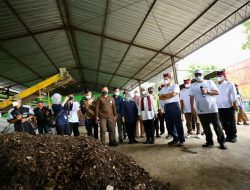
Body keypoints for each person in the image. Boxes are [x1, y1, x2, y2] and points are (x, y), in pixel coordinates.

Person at [190, 69, 227, 149]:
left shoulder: (209, 82)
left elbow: (217, 92)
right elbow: (191, 97)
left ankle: (222, 142)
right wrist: (192, 108)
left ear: (202, 74)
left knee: (217, 126)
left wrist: (208, 91)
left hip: (212, 108)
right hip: (201, 110)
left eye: (199, 74)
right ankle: (209, 142)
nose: (198, 76)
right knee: (206, 127)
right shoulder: (193, 85)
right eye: (196, 75)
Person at [159, 73, 185, 146]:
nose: (165, 80)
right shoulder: (163, 88)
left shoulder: (175, 85)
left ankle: (181, 140)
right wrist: (168, 95)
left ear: (170, 79)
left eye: (166, 79)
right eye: (164, 79)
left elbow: (174, 94)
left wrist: (165, 96)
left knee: (178, 123)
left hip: (174, 105)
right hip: (166, 106)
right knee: (169, 124)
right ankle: (175, 138)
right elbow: (160, 98)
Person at [215, 71, 238, 143]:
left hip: (229, 106)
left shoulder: (229, 84)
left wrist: (235, 104)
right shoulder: (215, 85)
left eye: (220, 76)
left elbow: (234, 95)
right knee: (224, 123)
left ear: (224, 76)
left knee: (231, 122)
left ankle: (233, 136)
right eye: (217, 76)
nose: (219, 77)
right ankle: (228, 136)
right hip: (219, 107)